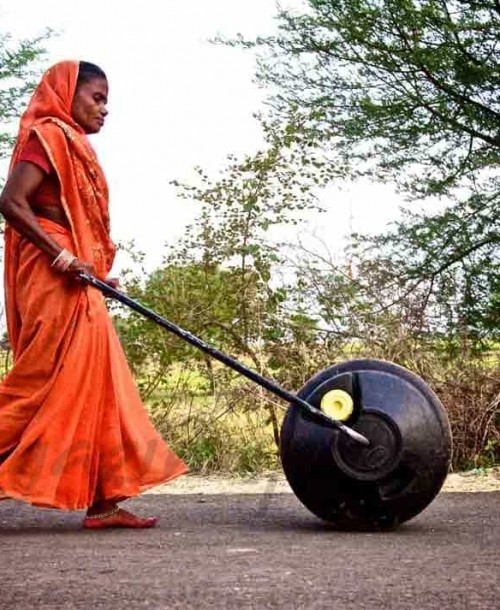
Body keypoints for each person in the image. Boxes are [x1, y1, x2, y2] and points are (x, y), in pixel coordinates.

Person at [0, 60, 188, 528]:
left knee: (100, 385)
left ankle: (105, 501)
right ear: (69, 95)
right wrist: (64, 258)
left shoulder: (75, 145)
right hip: (50, 273)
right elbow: (10, 202)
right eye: (97, 98)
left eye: (107, 100)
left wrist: (93, 270)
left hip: (76, 277)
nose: (105, 109)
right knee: (42, 386)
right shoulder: (46, 137)